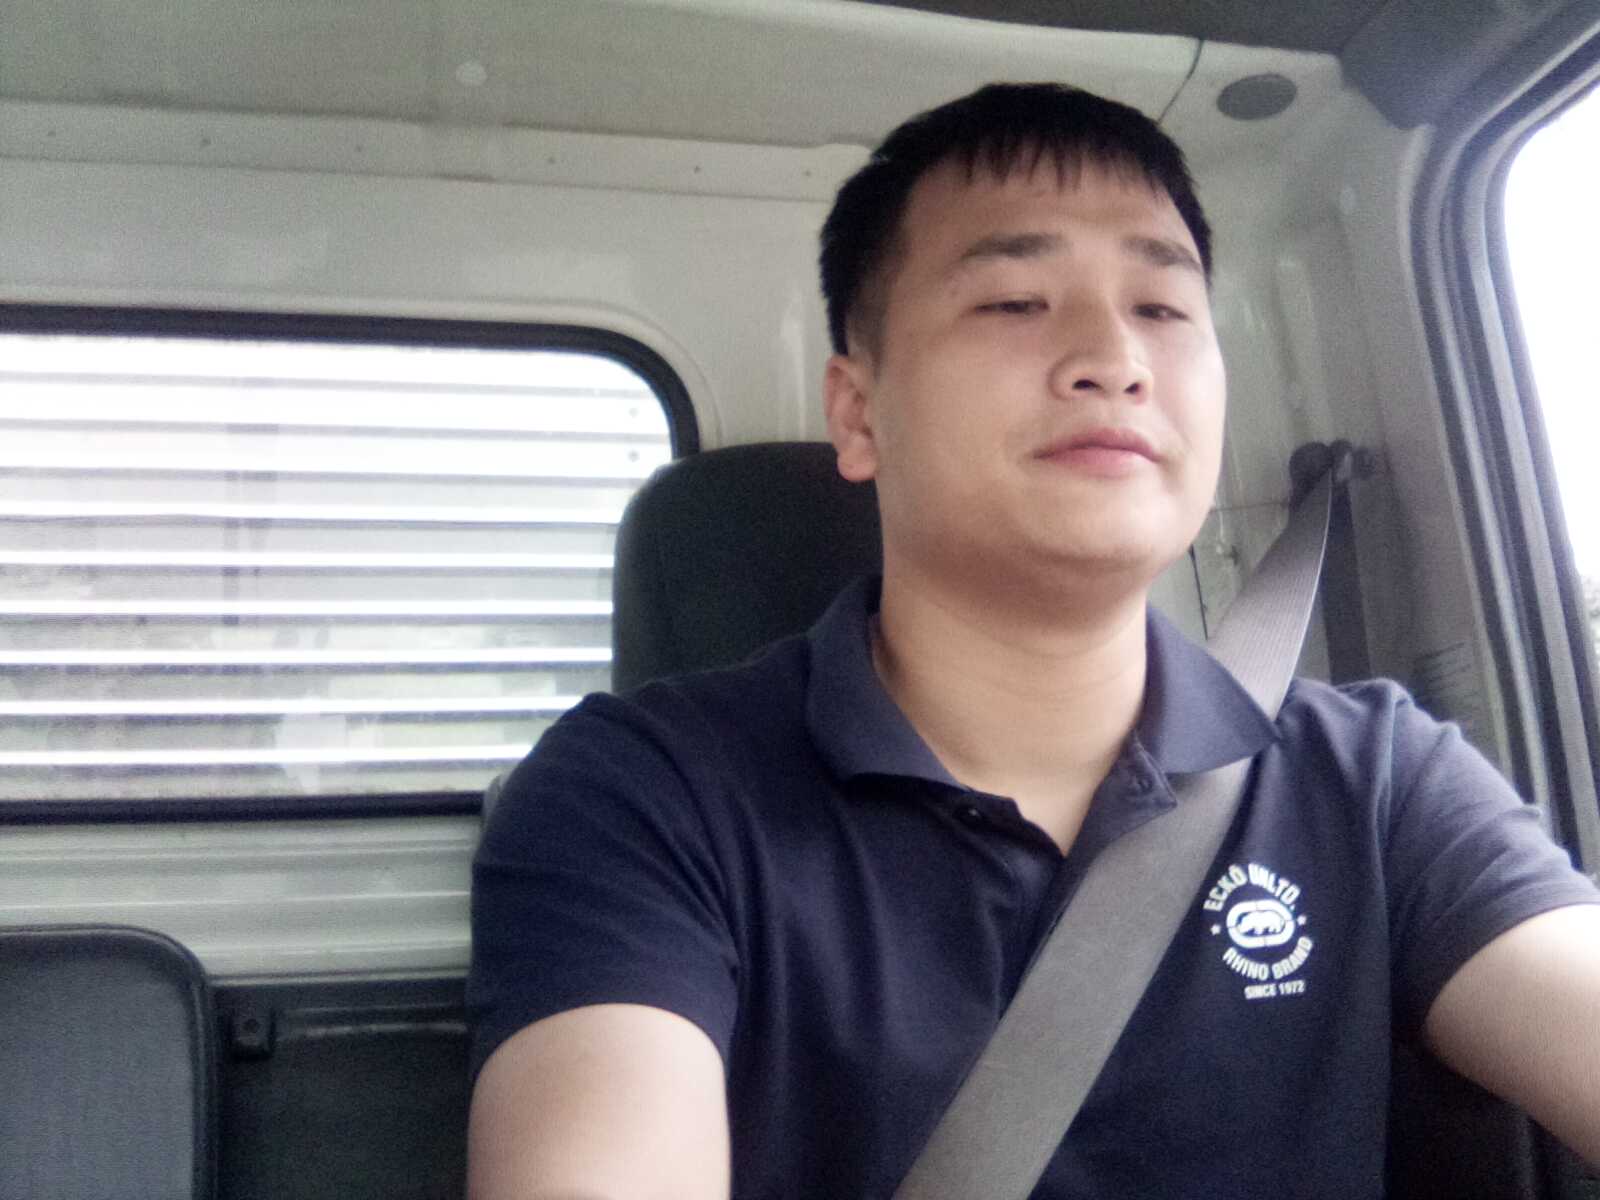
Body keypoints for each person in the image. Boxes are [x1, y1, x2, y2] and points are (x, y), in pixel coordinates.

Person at [465, 84, 1600, 1199]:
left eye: (1163, 309)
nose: (1114, 356)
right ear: (858, 414)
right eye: (1014, 302)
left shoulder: (1379, 779)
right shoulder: (642, 797)